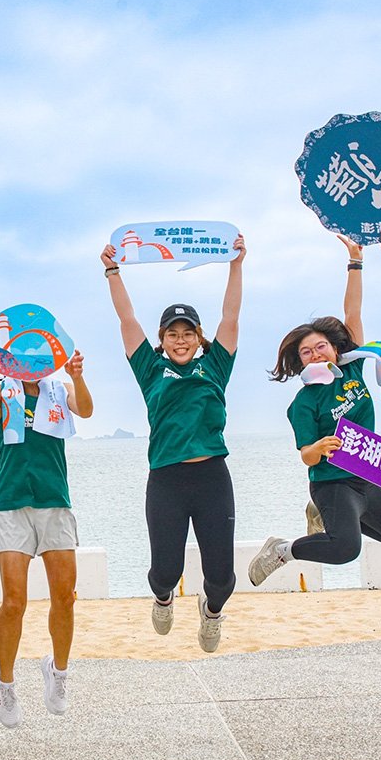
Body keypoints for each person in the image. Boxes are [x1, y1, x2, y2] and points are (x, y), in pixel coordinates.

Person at [249, 229, 381, 587]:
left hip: (366, 475)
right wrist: (320, 447)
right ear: (299, 362)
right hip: (331, 482)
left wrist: (355, 261)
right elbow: (306, 456)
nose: (315, 354)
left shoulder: (353, 367)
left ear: (334, 348)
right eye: (306, 352)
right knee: (345, 549)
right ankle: (284, 549)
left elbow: (352, 311)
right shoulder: (303, 403)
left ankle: (328, 522)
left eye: (321, 346)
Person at [100, 236, 245, 653]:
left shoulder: (215, 364)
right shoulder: (150, 368)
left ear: (199, 338)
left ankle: (211, 612)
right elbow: (127, 319)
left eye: (188, 333)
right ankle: (163, 599)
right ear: (161, 339)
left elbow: (231, 316)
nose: (180, 340)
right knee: (165, 570)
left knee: (222, 577)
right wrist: (113, 271)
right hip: (165, 479)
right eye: (171, 333)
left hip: (212, 477)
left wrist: (236, 265)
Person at [0, 333, 94, 728]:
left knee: (65, 598)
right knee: (14, 602)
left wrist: (78, 376)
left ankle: (58, 673)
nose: (33, 362)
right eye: (24, 355)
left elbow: (85, 410)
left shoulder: (60, 389)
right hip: (12, 503)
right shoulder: (3, 390)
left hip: (55, 501)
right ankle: (5, 684)